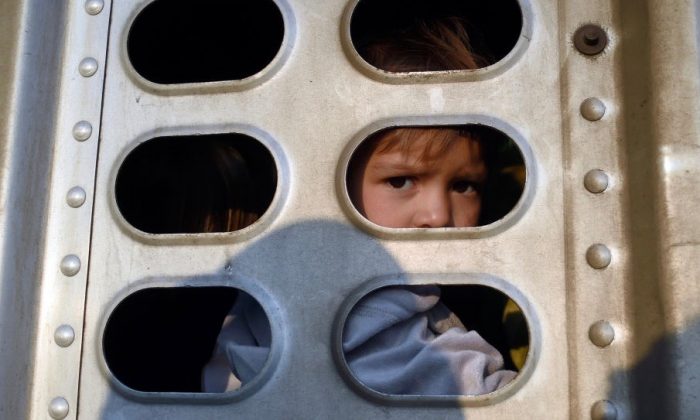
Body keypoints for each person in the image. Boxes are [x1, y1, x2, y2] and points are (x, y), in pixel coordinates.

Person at [201, 17, 520, 395]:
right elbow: (437, 381)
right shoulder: (343, 298)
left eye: (464, 185)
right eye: (400, 181)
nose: (438, 216)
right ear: (331, 182)